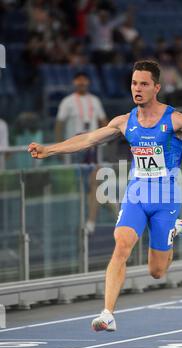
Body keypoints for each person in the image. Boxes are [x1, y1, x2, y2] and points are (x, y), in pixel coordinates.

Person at [28, 60, 182, 332]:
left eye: (143, 84)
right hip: (137, 194)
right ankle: (107, 313)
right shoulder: (124, 122)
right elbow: (87, 139)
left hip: (166, 198)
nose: (137, 89)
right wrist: (50, 150)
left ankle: (174, 230)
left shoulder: (175, 120)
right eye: (133, 83)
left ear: (156, 87)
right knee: (122, 245)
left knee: (157, 272)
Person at [55, 71, 112, 233]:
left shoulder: (94, 100)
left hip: (93, 148)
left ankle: (91, 222)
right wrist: (60, 148)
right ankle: (112, 209)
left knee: (94, 183)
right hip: (74, 149)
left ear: (88, 82)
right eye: (79, 81)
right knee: (83, 187)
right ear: (74, 83)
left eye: (84, 81)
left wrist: (106, 140)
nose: (82, 84)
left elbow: (104, 122)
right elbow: (59, 124)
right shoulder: (67, 102)